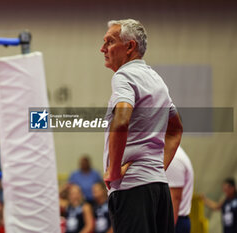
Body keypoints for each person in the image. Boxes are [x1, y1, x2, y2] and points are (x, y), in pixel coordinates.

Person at [100, 19, 183, 233]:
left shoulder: (124, 75)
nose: (102, 49)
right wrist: (155, 167)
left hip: (132, 189)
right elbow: (175, 129)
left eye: (109, 42)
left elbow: (121, 122)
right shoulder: (156, 79)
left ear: (129, 47)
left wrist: (114, 170)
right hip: (158, 189)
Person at [165, 146, 194, 233]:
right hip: (175, 220)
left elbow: (174, 199)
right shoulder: (172, 154)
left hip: (175, 221)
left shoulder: (174, 158)